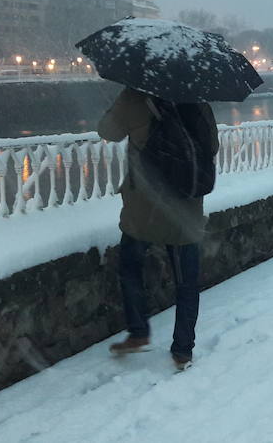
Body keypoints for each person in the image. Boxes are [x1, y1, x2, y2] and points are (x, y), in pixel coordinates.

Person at [98, 87, 219, 371]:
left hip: (145, 208)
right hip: (184, 208)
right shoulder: (195, 99)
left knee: (130, 268)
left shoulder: (135, 96)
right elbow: (211, 146)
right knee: (187, 284)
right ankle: (182, 350)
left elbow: (107, 131)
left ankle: (139, 331)